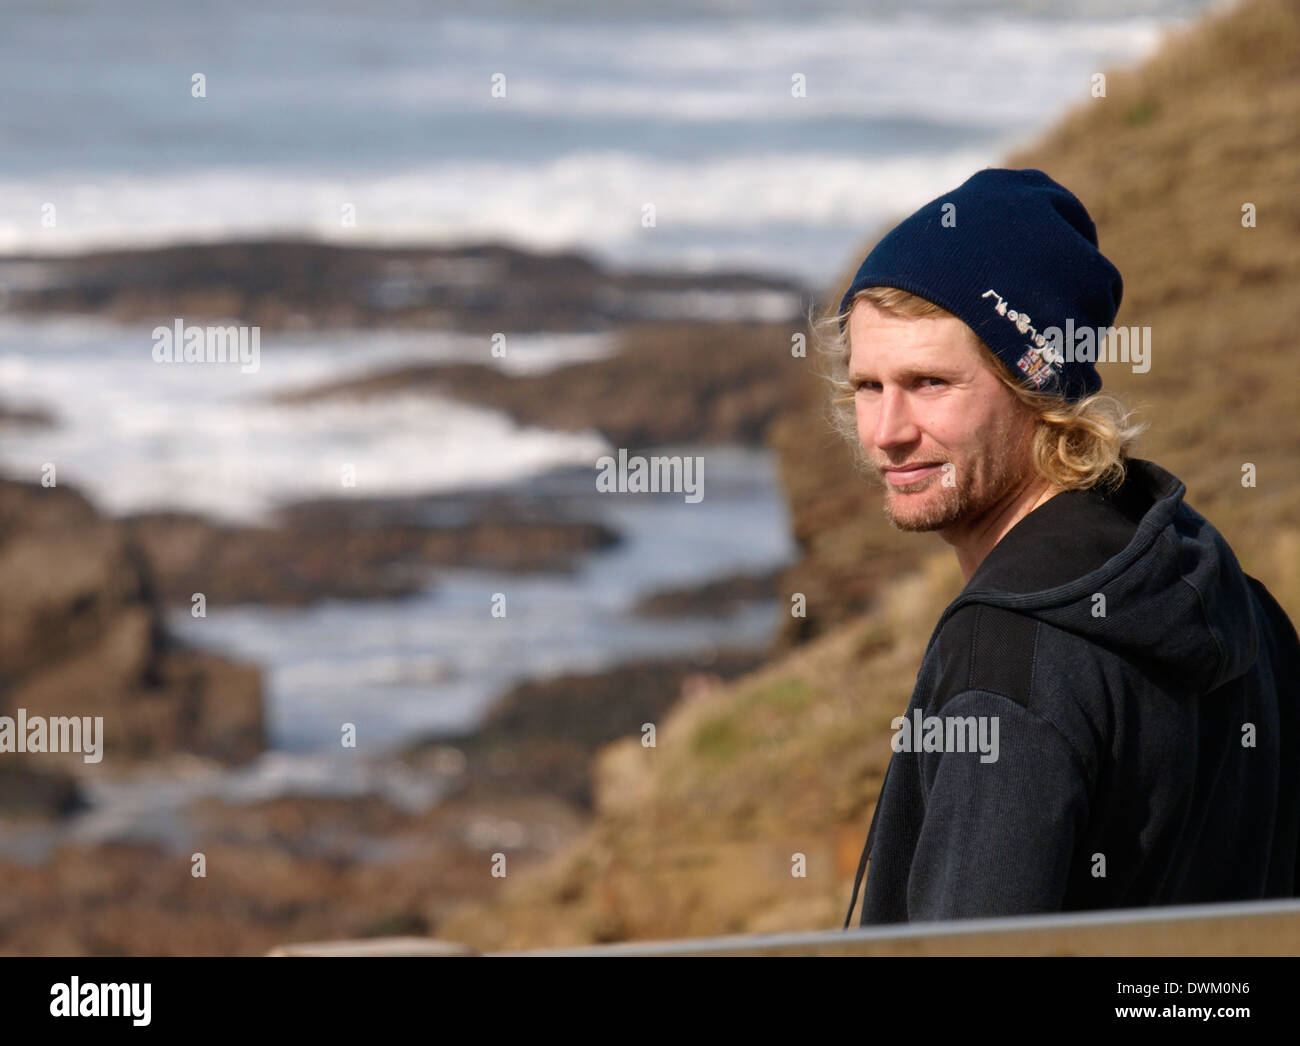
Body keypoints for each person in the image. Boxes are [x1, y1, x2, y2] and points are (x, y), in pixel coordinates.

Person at [824, 168, 1300, 927]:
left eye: (929, 382)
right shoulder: (1229, 595)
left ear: (1036, 389)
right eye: (868, 387)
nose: (886, 432)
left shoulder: (1005, 666)